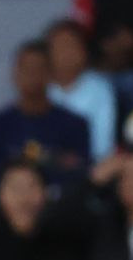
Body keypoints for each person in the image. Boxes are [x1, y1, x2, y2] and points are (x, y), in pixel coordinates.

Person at [0, 40, 92, 197]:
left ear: (51, 74)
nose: (32, 75)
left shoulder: (75, 125)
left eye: (38, 68)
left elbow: (78, 178)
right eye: (26, 68)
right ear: (14, 73)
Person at [46, 20, 117, 160]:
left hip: (87, 167)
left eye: (71, 46)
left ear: (84, 51)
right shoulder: (39, 85)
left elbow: (103, 146)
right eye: (60, 46)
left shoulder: (100, 89)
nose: (66, 53)